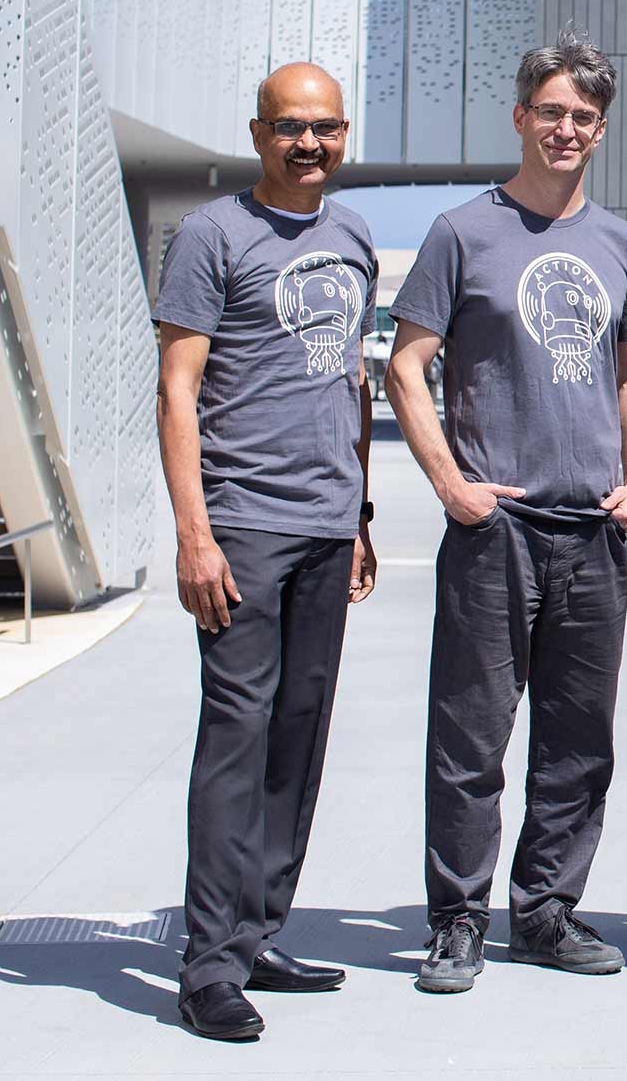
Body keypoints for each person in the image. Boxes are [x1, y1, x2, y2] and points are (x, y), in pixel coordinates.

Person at [385, 33, 627, 994]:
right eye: (551, 112)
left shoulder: (619, 242)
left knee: (580, 739)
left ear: (600, 129)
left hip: (594, 529)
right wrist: (449, 484)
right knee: (470, 738)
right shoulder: (462, 232)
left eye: (584, 117)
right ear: (520, 118)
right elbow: (405, 366)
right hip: (492, 528)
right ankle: (457, 920)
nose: (567, 129)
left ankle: (546, 912)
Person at [152, 62, 379, 1041]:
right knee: (236, 741)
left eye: (324, 128)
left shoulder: (356, 234)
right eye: (290, 127)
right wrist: (194, 534)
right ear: (257, 134)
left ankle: (256, 934)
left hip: (329, 525)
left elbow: (349, 387)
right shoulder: (212, 235)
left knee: (299, 735)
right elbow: (176, 389)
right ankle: (207, 968)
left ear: (343, 135)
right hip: (243, 524)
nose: (309, 145)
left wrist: (362, 513)